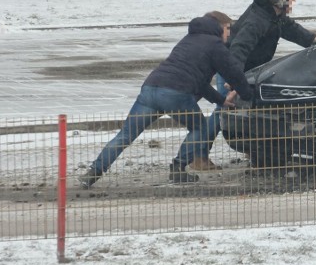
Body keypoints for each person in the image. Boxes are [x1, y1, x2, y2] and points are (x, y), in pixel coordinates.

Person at [79, 11, 253, 189]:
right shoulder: (215, 45)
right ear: (219, 27)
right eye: (228, 28)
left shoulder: (188, 40)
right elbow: (235, 74)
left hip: (150, 89)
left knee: (125, 135)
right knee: (200, 128)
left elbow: (198, 81)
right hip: (176, 93)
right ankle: (178, 169)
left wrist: (220, 101)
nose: (229, 33)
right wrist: (248, 96)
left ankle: (93, 173)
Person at [196, 0, 316, 170]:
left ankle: (253, 151)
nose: (293, 1)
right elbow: (238, 49)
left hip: (249, 71)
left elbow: (290, 28)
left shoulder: (273, 15)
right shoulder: (257, 20)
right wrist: (234, 81)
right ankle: (199, 156)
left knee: (250, 111)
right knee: (224, 111)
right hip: (233, 69)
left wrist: (312, 39)